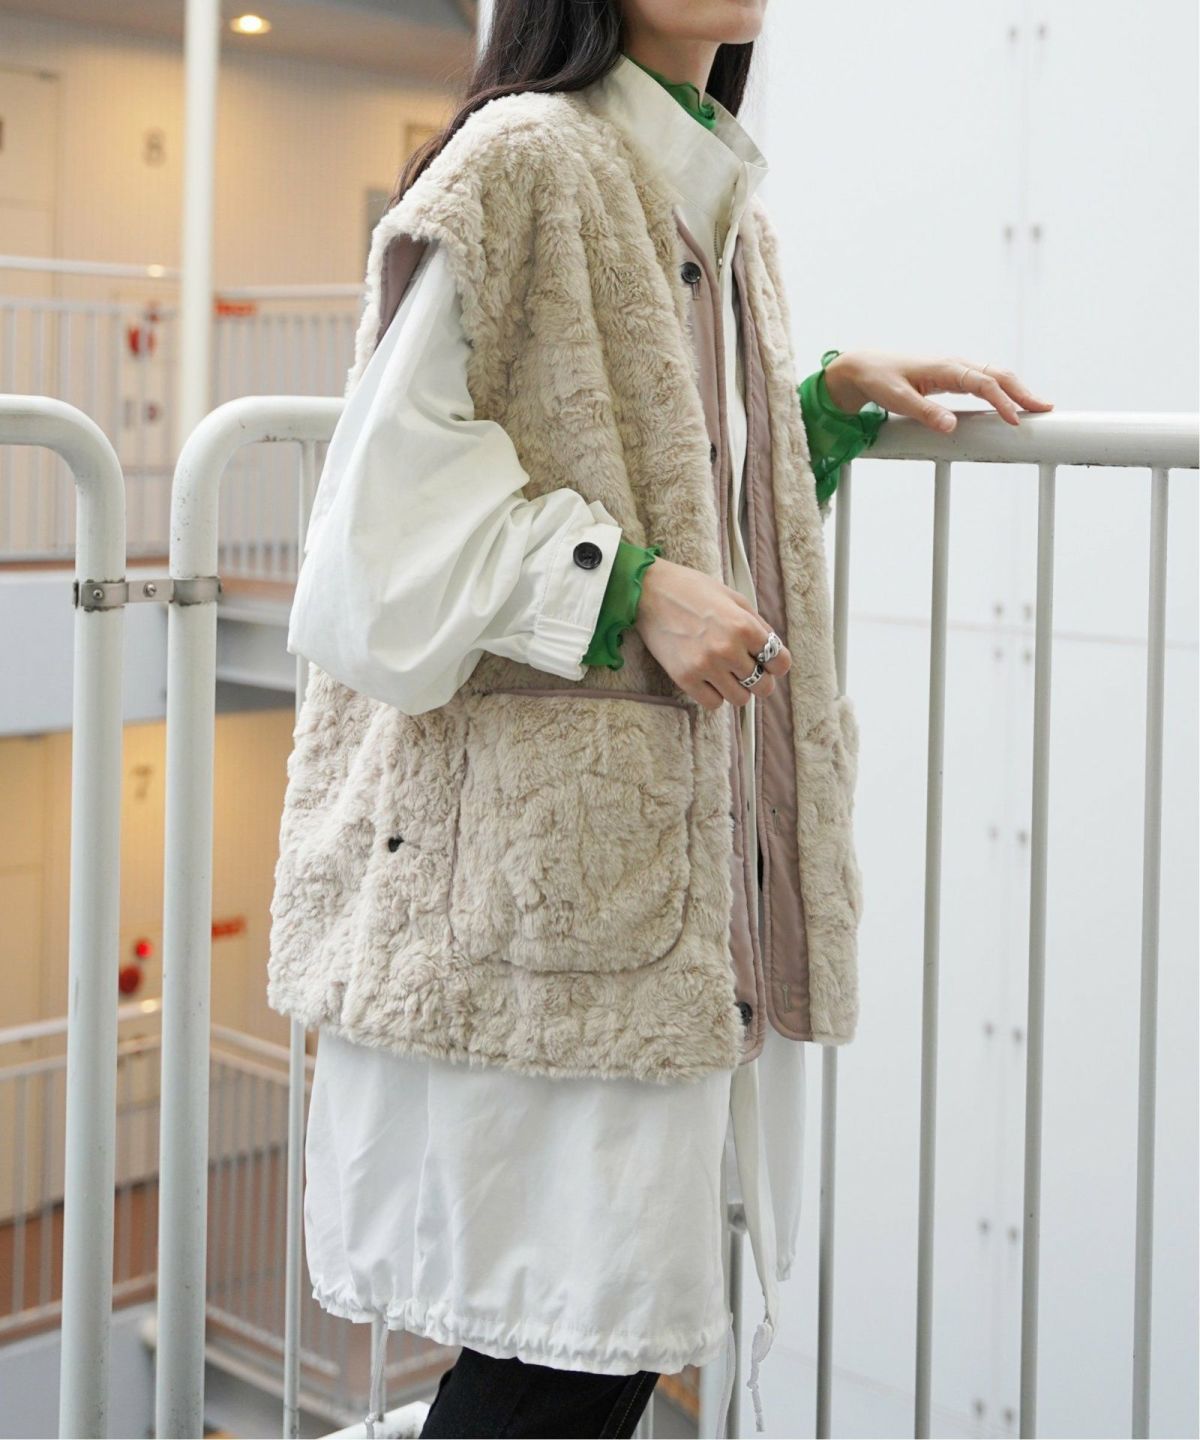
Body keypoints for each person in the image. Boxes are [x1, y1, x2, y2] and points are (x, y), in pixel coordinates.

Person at [269, 3, 1054, 1436]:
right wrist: (626, 587)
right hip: (550, 898)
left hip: (642, 896)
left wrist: (815, 408)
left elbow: (665, 475)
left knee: (589, 1357)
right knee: (567, 1365)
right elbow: (371, 546)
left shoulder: (712, 200)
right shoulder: (529, 157)